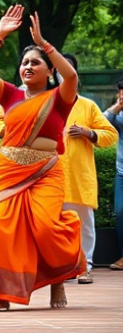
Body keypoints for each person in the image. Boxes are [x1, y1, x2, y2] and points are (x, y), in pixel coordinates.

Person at [0, 5, 84, 312]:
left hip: (46, 171)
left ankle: (58, 278)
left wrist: (45, 43)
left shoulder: (60, 98)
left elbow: (71, 74)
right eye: (24, 63)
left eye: (36, 62)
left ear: (50, 71)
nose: (28, 66)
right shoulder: (9, 95)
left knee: (47, 228)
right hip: (6, 170)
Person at [56, 54, 117, 284]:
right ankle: (59, 267)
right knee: (53, 224)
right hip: (50, 175)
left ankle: (85, 265)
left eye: (68, 69)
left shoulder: (88, 106)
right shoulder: (46, 102)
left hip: (79, 176)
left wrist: (88, 133)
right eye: (59, 69)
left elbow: (110, 134)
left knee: (84, 223)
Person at [106, 77, 123, 270]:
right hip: (121, 173)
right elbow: (101, 123)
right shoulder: (118, 114)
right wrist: (117, 107)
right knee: (120, 213)